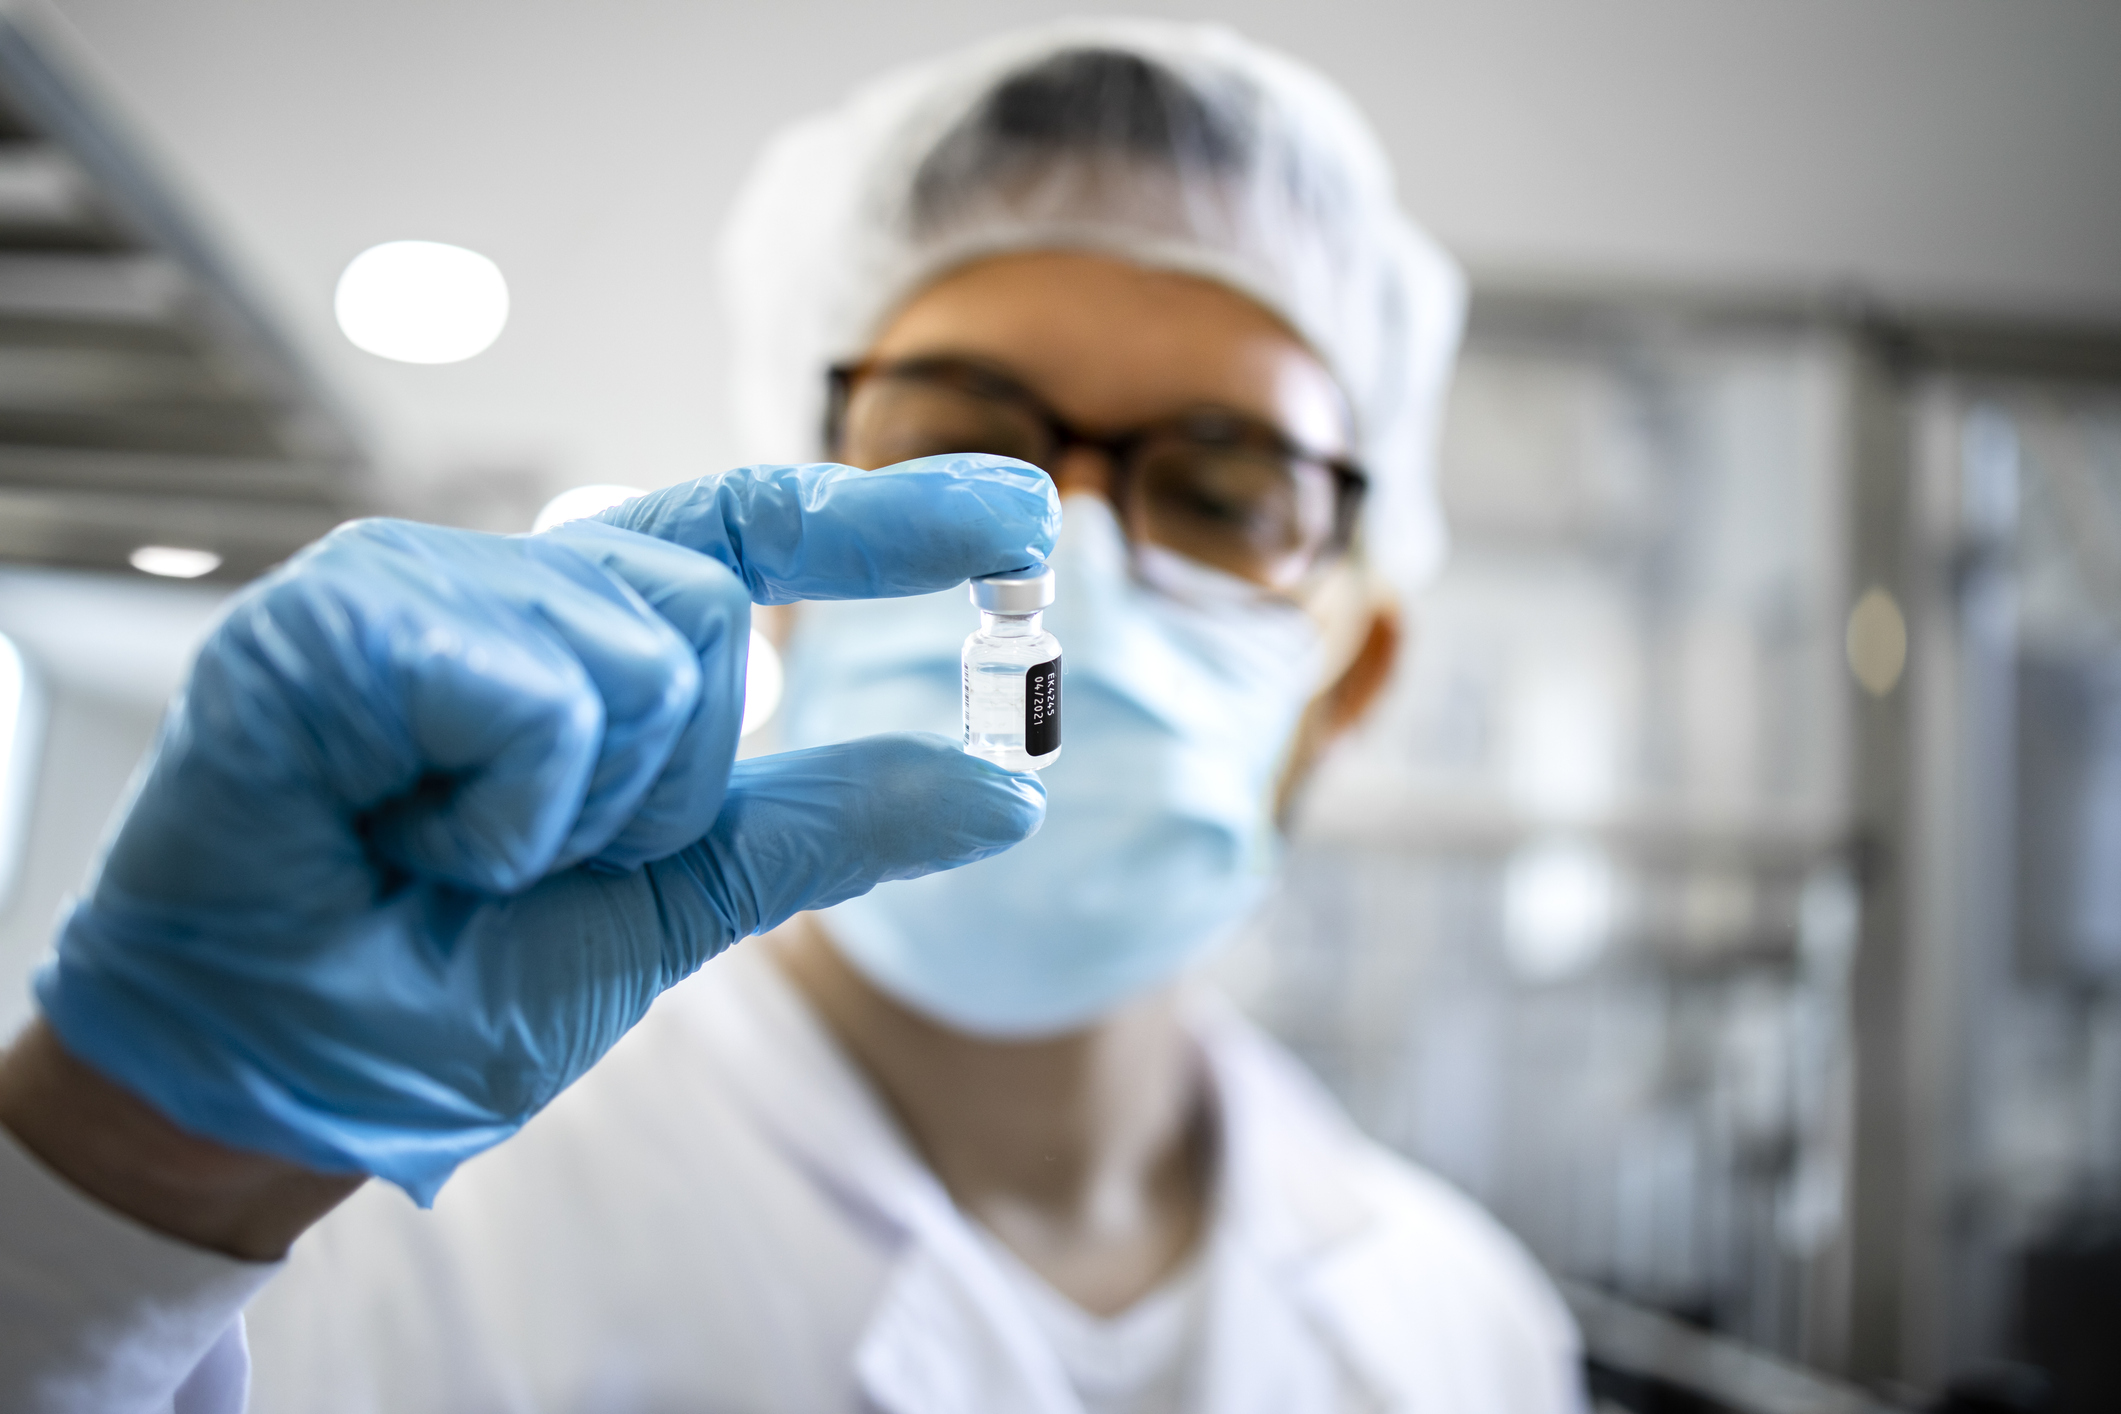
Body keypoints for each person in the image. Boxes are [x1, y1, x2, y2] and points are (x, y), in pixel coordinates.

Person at [0, 18, 1584, 1414]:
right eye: (962, 446)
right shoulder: (357, 1224)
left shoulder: (1465, 1335)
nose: (1071, 557)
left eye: (1226, 486)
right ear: (799, 567)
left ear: (1351, 669)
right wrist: (118, 1189)